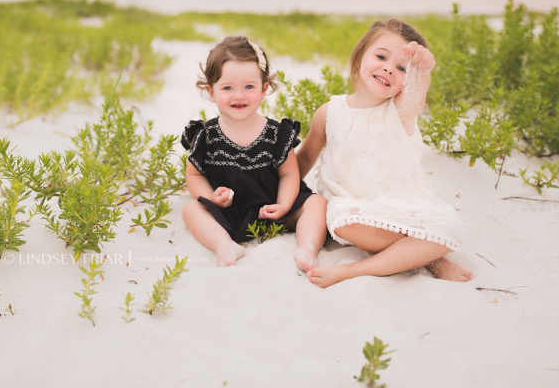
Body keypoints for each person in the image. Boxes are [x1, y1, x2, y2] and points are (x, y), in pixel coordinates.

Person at [296, 19, 474, 287]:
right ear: (358, 60)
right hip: (350, 205)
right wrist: (280, 191)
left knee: (447, 226)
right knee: (344, 222)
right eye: (381, 56)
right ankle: (424, 255)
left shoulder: (401, 112)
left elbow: (417, 93)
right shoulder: (330, 111)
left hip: (399, 202)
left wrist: (422, 71)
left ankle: (356, 269)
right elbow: (305, 158)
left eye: (402, 68)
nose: (389, 68)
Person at [180, 36, 327, 270]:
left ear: (263, 89)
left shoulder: (276, 133)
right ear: (211, 91)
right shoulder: (206, 135)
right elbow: (194, 176)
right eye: (227, 88)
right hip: (230, 211)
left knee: (317, 203)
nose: (239, 95)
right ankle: (223, 244)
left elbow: (290, 174)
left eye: (249, 86)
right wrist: (211, 198)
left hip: (272, 209)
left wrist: (284, 204)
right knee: (190, 209)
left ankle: (307, 247)